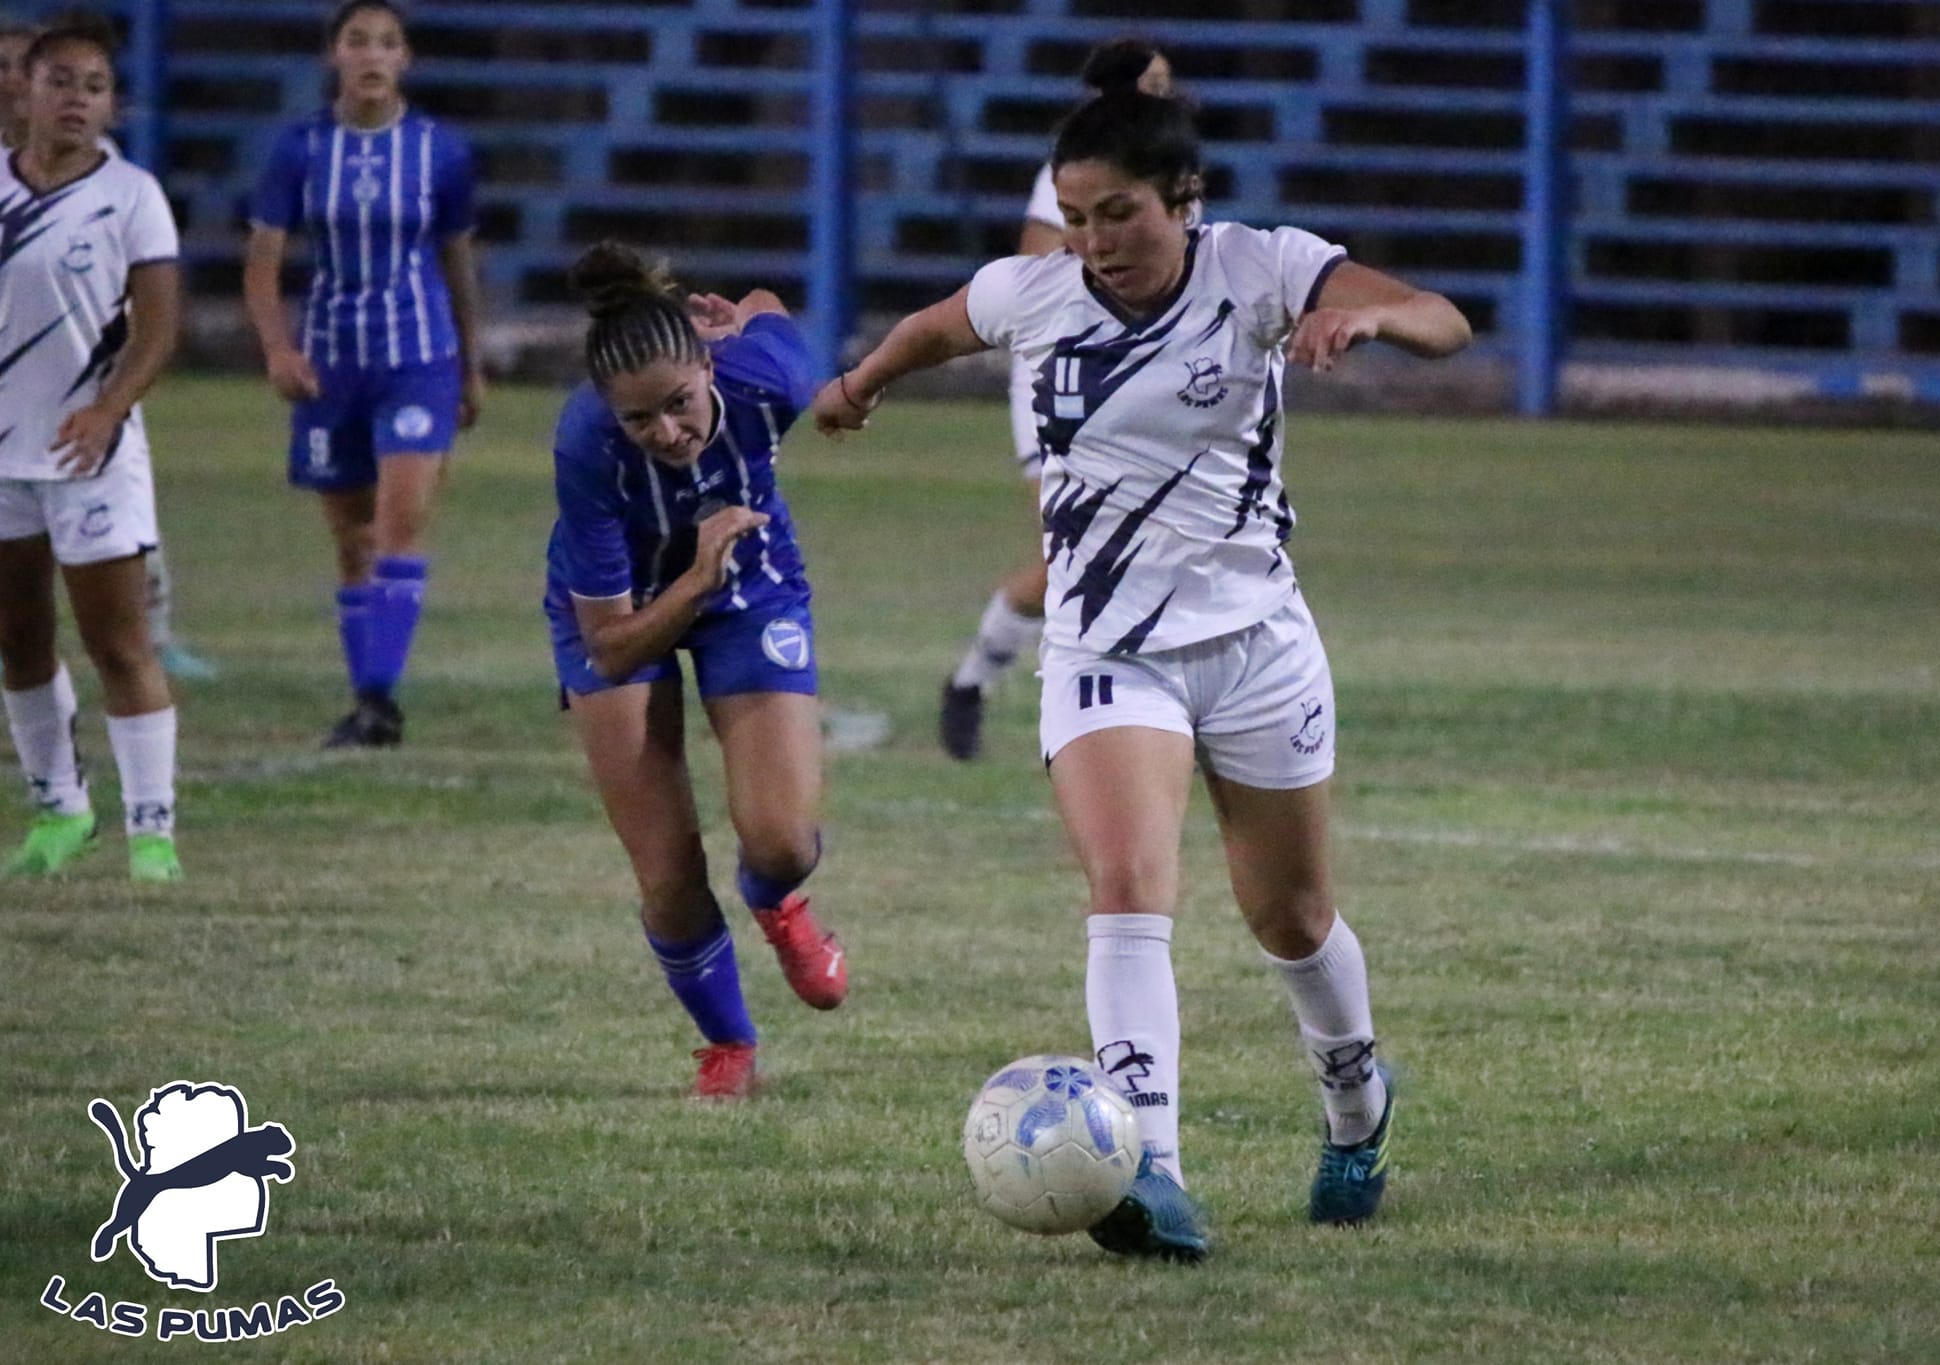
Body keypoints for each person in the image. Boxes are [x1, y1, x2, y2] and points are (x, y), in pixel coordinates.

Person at [815, 91, 1470, 1258]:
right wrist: (860, 385)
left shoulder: (1261, 268)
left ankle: (1356, 1109)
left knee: (1291, 916)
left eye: (1115, 213)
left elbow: (1442, 318)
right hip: (1106, 650)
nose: (1090, 241)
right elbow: (932, 325)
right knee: (1126, 889)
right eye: (1072, 216)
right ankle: (1151, 1171)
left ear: (1183, 200)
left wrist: (1367, 326)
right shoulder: (1039, 295)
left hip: (1255, 642)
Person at [546, 242, 849, 1100]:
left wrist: (745, 308)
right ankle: (730, 1044)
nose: (668, 433)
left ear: (710, 364)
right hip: (622, 612)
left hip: (750, 585)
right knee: (669, 875)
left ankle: (776, 900)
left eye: (680, 404)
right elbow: (610, 646)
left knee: (782, 837)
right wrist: (691, 580)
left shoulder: (771, 382)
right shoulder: (586, 448)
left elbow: (768, 298)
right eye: (640, 419)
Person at [242, 0, 484, 748]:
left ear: (405, 59)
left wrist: (470, 364)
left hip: (418, 358)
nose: (372, 55)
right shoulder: (300, 150)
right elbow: (263, 263)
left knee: (398, 523)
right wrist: (280, 349)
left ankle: (380, 698)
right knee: (350, 538)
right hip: (333, 365)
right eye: (357, 41)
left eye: (386, 42)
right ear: (334, 56)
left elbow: (458, 261)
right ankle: (365, 692)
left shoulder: (442, 150)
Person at [939, 37, 1176, 761]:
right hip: (1066, 383)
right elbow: (1038, 265)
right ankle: (995, 685)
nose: (1172, 92)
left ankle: (1122, 706)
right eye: (1158, 82)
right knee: (1079, 552)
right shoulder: (1083, 164)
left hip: (1146, 385)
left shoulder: (1173, 167)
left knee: (1140, 549)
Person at [0, 14, 186, 882]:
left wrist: (110, 408)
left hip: (90, 458)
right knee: (20, 640)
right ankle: (59, 811)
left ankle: (153, 832)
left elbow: (159, 327)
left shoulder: (132, 195)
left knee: (120, 643)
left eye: (95, 86)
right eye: (61, 81)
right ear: (24, 89)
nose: (77, 99)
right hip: (4, 459)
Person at [0, 11, 215, 684]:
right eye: (8, 67)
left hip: (81, 402)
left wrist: (112, 387)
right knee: (20, 620)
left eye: (88, 84)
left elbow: (143, 303)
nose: (10, 77)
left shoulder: (112, 180)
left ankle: (152, 626)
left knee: (109, 564)